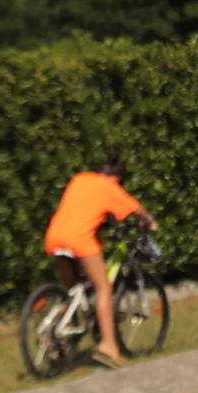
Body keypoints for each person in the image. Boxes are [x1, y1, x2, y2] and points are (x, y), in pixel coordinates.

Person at [44, 153, 157, 369]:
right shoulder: (109, 188)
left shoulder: (80, 179)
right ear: (117, 179)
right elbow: (137, 209)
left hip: (54, 236)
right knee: (103, 286)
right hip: (78, 239)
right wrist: (150, 222)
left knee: (73, 292)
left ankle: (53, 334)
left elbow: (83, 214)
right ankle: (108, 346)